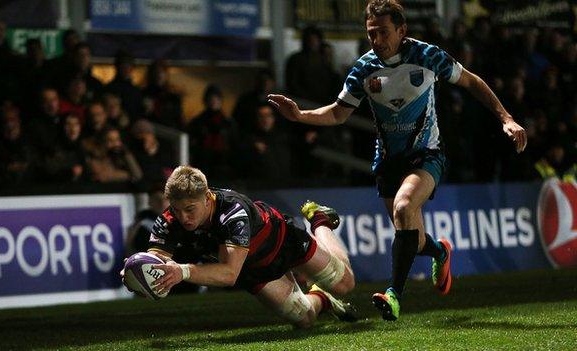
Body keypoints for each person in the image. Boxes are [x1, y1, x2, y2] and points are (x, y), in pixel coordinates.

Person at [268, 0, 527, 321]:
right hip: (389, 162)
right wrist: (300, 115)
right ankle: (439, 251)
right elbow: (337, 113)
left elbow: (472, 81)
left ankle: (394, 294)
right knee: (412, 238)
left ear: (402, 30)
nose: (376, 40)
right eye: (371, 33)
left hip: (426, 155)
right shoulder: (364, 68)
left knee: (405, 208)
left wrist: (506, 117)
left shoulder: (427, 56)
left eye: (383, 32)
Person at [120, 165, 358, 328]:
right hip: (251, 268)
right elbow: (157, 259)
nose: (184, 218)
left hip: (283, 242)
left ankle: (319, 221)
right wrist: (138, 272)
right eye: (177, 209)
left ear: (207, 198)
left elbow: (229, 273)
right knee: (304, 319)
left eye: (190, 209)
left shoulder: (232, 212)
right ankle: (323, 299)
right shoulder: (169, 220)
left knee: (345, 284)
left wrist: (181, 271)